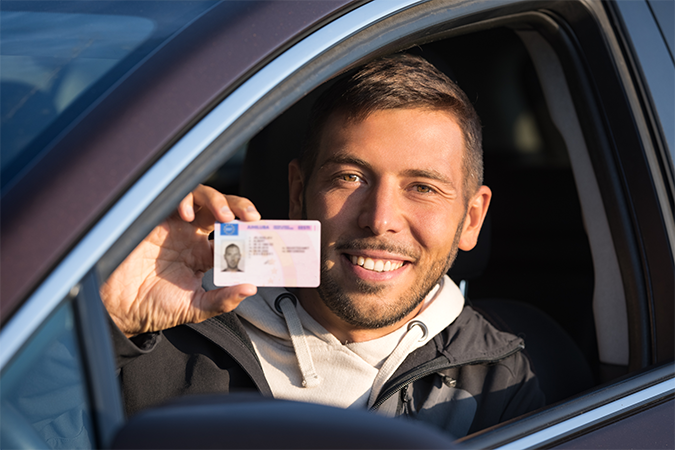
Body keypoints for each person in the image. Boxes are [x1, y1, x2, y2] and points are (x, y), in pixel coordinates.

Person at [101, 54, 544, 437]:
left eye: (423, 187)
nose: (379, 219)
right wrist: (109, 321)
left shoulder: (499, 382)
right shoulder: (157, 334)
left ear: (471, 219)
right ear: (298, 193)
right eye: (349, 178)